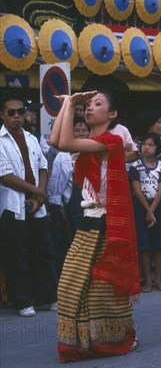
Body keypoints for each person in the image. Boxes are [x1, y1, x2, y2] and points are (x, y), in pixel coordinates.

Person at [50, 90, 139, 361]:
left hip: (105, 221)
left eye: (97, 104)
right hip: (91, 219)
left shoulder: (110, 139)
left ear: (112, 115)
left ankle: (113, 338)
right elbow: (56, 140)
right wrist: (68, 105)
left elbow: (63, 142)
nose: (89, 108)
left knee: (103, 287)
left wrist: (70, 103)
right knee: (73, 284)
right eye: (87, 105)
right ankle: (89, 339)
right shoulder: (89, 140)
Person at [0, 92, 59, 318]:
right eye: (11, 112)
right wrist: (37, 192)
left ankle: (48, 297)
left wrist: (39, 196)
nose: (17, 116)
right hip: (12, 204)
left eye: (21, 112)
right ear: (3, 115)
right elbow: (5, 176)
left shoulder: (32, 138)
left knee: (44, 250)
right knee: (16, 254)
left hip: (37, 204)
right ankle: (23, 301)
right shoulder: (0, 140)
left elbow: (43, 166)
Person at [129, 132, 161, 293]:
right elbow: (136, 190)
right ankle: (147, 280)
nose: (147, 147)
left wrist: (152, 211)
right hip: (141, 208)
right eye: (144, 144)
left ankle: (158, 279)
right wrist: (147, 211)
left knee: (159, 245)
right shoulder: (135, 166)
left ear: (157, 148)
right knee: (145, 246)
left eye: (151, 144)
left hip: (158, 207)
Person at [47, 116, 90, 270]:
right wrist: (57, 208)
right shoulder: (63, 156)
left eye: (84, 130)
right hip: (72, 209)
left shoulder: (94, 153)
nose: (81, 133)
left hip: (93, 207)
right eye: (76, 130)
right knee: (72, 244)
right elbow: (54, 187)